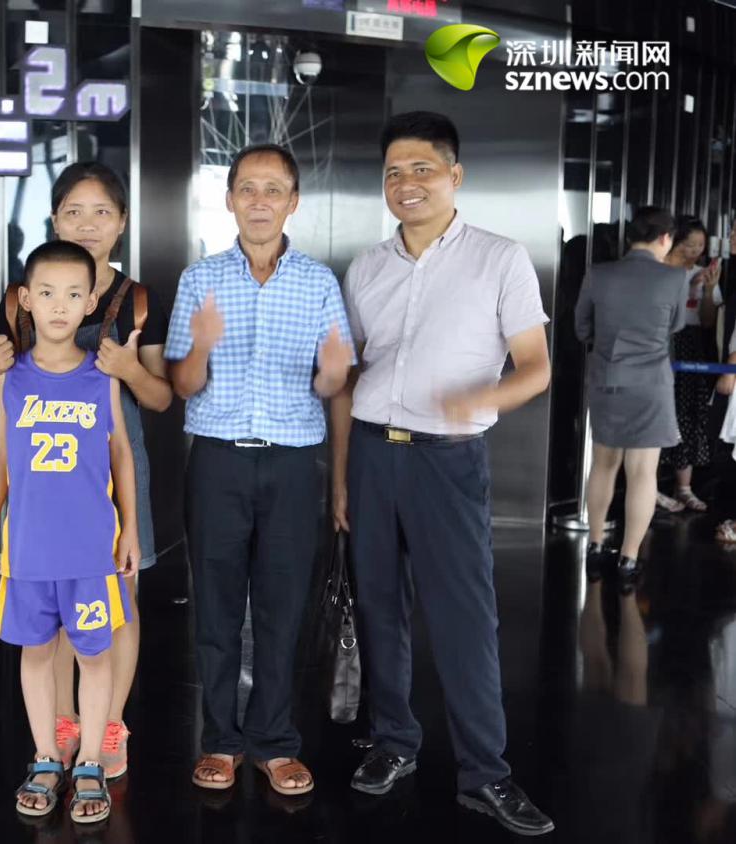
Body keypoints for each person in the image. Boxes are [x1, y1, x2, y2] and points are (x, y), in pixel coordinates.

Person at [329, 111, 554, 836]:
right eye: (394, 172)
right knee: (379, 607)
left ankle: (485, 774)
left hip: (448, 459)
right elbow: (349, 377)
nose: (406, 183)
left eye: (422, 169)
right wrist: (341, 478)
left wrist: (481, 400)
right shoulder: (366, 267)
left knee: (465, 618)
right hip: (372, 452)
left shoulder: (500, 258)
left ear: (454, 175)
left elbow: (536, 367)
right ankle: (394, 742)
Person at [165, 143, 353, 797]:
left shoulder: (319, 283)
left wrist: (332, 376)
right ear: (229, 200)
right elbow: (182, 385)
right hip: (217, 461)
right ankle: (220, 740)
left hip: (293, 464)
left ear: (293, 202)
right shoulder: (200, 279)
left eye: (274, 190)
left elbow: (334, 382)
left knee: (283, 607)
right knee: (217, 609)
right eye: (248, 188)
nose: (260, 201)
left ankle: (274, 741)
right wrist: (202, 346)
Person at [0, 162, 172, 779]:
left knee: (117, 604)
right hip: (40, 486)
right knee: (49, 619)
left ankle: (107, 726)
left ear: (122, 222)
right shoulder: (21, 300)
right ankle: (63, 724)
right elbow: (3, 409)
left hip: (105, 475)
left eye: (101, 212)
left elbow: (159, 398)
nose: (88, 224)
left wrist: (127, 369)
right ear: (54, 219)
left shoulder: (136, 300)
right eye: (74, 212)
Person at [0, 240, 141, 824]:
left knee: (94, 656)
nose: (60, 305)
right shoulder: (12, 380)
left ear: (91, 302)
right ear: (26, 300)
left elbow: (121, 454)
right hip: (28, 551)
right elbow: (0, 458)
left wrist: (131, 531)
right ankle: (47, 756)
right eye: (47, 293)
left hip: (91, 550)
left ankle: (89, 760)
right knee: (37, 653)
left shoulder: (102, 377)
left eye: (74, 294)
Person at [575, 206, 687, 590]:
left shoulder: (599, 274)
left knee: (604, 465)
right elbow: (676, 325)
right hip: (651, 385)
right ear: (665, 238)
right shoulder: (674, 278)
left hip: (607, 379)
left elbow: (581, 327)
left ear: (630, 237)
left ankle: (594, 547)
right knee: (642, 473)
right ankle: (628, 559)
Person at [659, 216, 722, 513]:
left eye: (700, 245)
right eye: (689, 244)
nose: (695, 251)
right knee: (661, 414)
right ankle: (650, 487)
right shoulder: (660, 271)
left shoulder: (703, 274)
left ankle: (683, 486)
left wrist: (707, 290)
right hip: (665, 345)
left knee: (690, 414)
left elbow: (708, 322)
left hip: (693, 347)